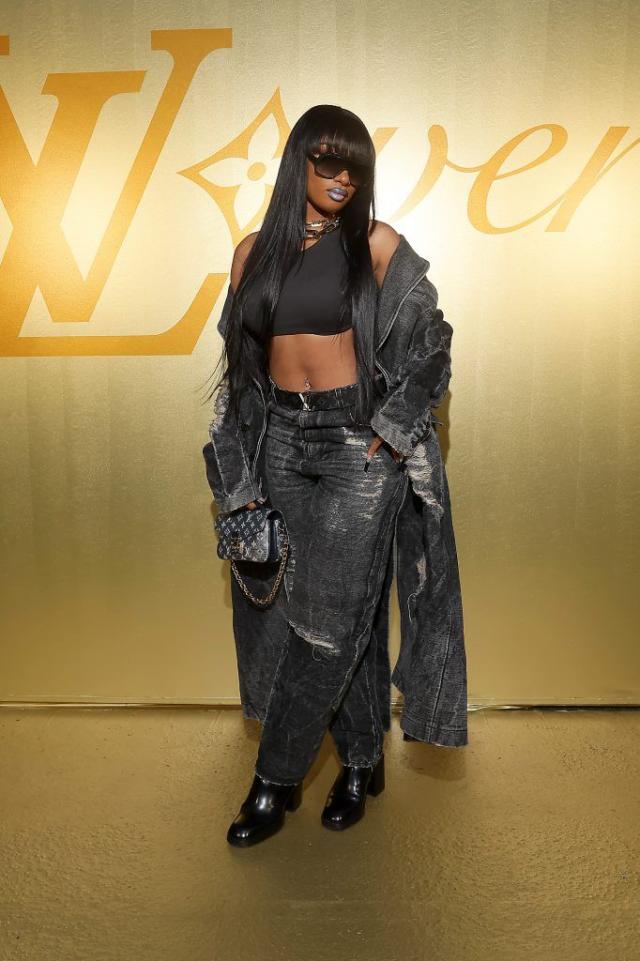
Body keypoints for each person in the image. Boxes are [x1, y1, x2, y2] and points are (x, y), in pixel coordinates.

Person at [202, 104, 468, 848]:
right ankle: (359, 761)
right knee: (309, 618)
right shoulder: (251, 251)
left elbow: (434, 343)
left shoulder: (378, 245)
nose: (342, 177)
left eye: (354, 164)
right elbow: (240, 376)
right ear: (298, 164)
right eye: (326, 161)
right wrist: (239, 473)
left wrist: (391, 428)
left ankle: (273, 781)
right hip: (281, 442)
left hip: (356, 448)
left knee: (327, 628)